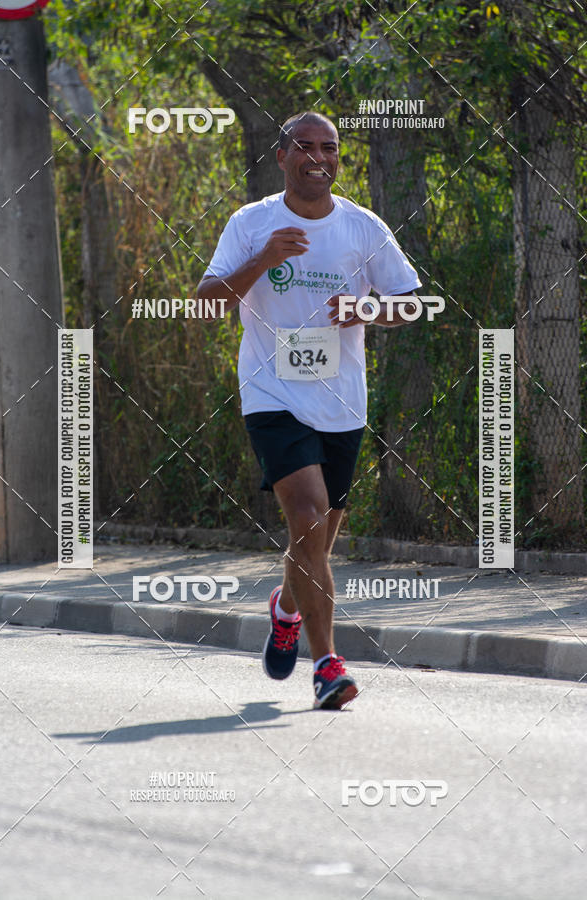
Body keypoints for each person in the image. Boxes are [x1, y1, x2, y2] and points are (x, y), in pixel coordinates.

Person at [197, 111, 422, 709]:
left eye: (331, 148)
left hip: (341, 401)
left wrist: (367, 311)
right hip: (272, 394)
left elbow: (411, 304)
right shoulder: (253, 224)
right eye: (305, 146)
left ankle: (286, 607)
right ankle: (327, 665)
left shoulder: (362, 227)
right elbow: (206, 302)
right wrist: (263, 259)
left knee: (317, 538)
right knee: (308, 513)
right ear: (282, 156)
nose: (318, 157)